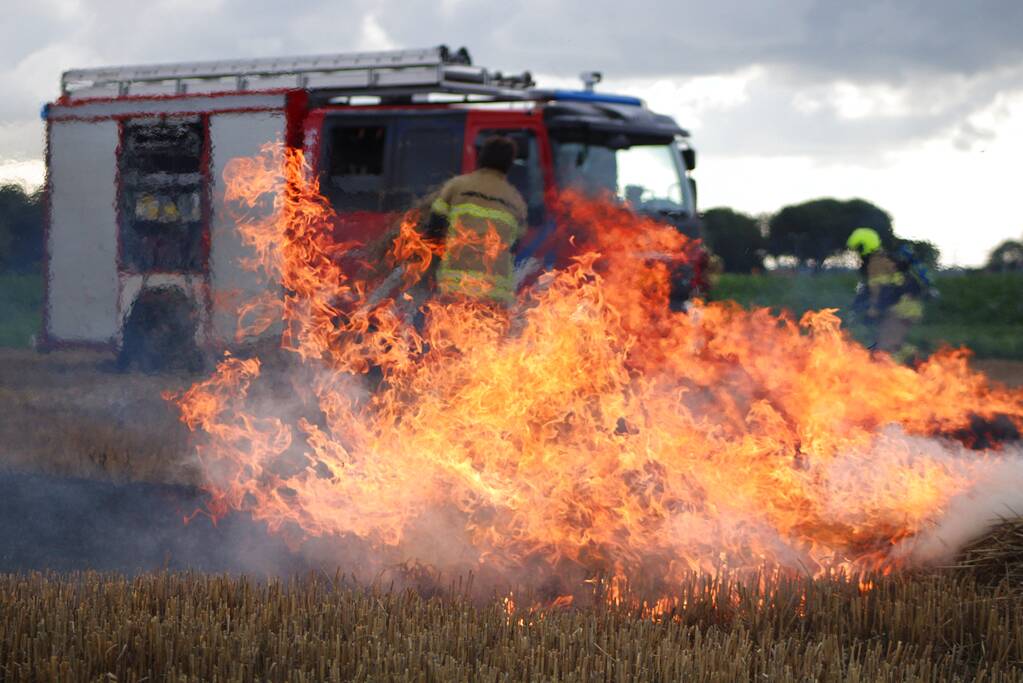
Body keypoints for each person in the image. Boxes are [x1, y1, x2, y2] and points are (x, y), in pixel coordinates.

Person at [424, 136, 527, 306]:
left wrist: (429, 271)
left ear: (481, 157)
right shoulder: (516, 201)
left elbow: (434, 231)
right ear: (509, 164)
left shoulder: (457, 186)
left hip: (456, 288)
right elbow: (514, 247)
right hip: (496, 295)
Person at [847, 227, 925, 363]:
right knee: (893, 342)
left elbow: (882, 290)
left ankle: (913, 369)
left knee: (886, 348)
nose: (856, 254)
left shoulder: (876, 263)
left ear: (864, 247)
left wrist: (873, 310)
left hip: (900, 309)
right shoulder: (886, 259)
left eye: (857, 250)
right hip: (907, 308)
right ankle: (919, 362)